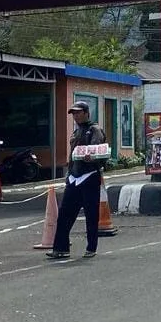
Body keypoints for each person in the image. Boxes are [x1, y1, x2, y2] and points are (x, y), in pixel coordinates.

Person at [47, 102, 106, 260]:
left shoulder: (95, 130)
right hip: (74, 177)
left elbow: (98, 151)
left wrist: (91, 156)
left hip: (90, 176)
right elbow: (72, 156)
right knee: (65, 214)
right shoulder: (76, 132)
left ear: (86, 113)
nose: (76, 116)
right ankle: (60, 248)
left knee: (91, 214)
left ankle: (91, 247)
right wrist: (68, 175)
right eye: (73, 113)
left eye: (78, 113)